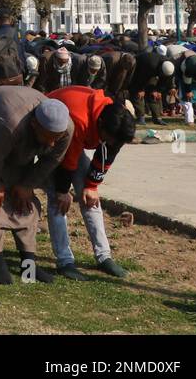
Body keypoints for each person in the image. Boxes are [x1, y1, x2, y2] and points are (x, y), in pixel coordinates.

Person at [0, 86, 73, 284]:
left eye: (57, 138)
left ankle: (28, 265)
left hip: (18, 137)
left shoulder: (65, 129)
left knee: (25, 203)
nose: (53, 144)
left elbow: (52, 160)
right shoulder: (11, 124)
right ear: (35, 125)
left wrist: (27, 185)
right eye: (50, 137)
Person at [45, 85, 134, 280]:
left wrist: (92, 185)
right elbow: (67, 160)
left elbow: (109, 151)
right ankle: (65, 261)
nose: (112, 145)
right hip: (53, 138)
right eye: (109, 140)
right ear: (100, 124)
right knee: (58, 202)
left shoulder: (115, 119)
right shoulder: (80, 120)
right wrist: (62, 190)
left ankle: (104, 257)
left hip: (74, 141)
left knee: (91, 199)